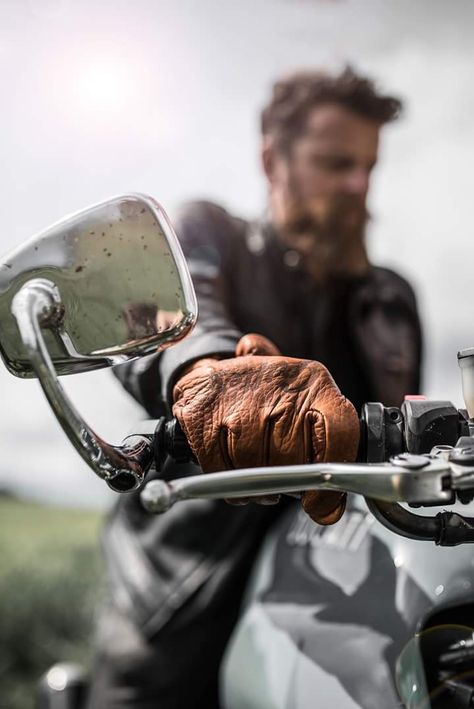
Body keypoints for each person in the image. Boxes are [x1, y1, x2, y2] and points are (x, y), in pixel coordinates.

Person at [86, 66, 422, 708]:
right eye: (335, 163)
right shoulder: (209, 235)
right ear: (273, 159)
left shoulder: (391, 298)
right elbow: (163, 317)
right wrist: (213, 377)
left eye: (368, 167)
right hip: (188, 588)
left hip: (338, 583)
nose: (358, 186)